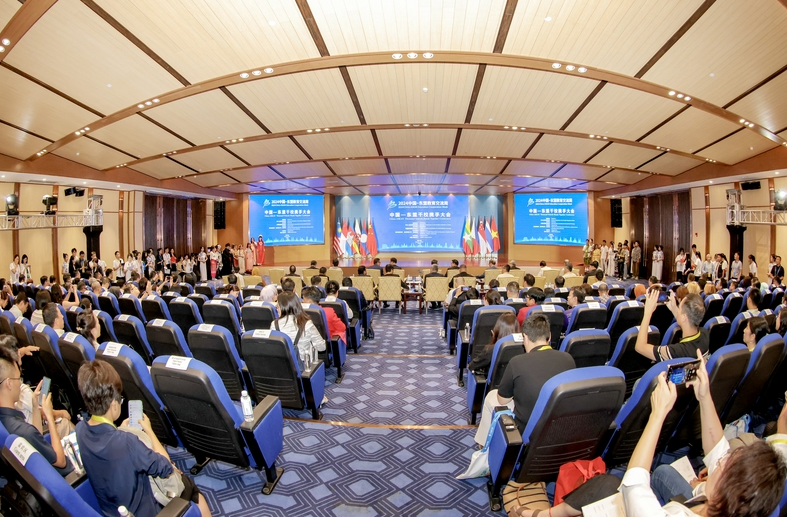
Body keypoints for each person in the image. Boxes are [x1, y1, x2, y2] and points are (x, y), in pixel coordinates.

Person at [619, 351, 786, 517]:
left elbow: (634, 485)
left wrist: (657, 414)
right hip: (699, 501)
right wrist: (704, 396)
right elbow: (718, 448)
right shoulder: (740, 504)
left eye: (724, 465)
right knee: (663, 472)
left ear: (721, 496)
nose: (722, 459)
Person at [76, 360, 211, 517]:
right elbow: (165, 466)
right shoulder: (126, 441)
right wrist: (149, 430)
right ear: (113, 404)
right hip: (145, 512)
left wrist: (121, 429)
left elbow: (108, 447)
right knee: (188, 486)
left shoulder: (80, 429)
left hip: (112, 511)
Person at [474, 314, 575, 444]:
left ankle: (484, 446)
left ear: (524, 337)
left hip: (526, 429)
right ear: (549, 336)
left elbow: (502, 400)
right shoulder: (568, 359)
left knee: (491, 397)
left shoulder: (517, 362)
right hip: (559, 425)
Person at [0, 346, 71, 476]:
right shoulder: (23, 430)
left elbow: (34, 441)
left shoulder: (6, 420)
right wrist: (49, 417)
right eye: (18, 379)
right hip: (69, 477)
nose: (20, 384)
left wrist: (35, 407)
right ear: (8, 384)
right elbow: (61, 462)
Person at [636, 290, 708, 362]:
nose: (678, 309)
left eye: (679, 307)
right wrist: (674, 308)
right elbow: (686, 321)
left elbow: (640, 347)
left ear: (684, 317)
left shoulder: (676, 352)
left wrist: (647, 312)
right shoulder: (705, 334)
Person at [274, 291, 326, 358]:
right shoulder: (307, 324)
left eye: (278, 306)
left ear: (284, 307)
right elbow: (322, 347)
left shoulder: (274, 324)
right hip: (304, 363)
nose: (276, 308)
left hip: (283, 362)